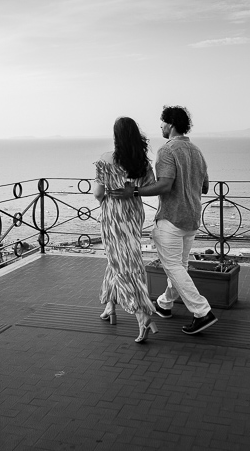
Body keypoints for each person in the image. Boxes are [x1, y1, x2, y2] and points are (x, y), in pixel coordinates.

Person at [110, 106, 217, 335]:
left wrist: (135, 192)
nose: (160, 126)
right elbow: (205, 186)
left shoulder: (167, 150)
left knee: (173, 267)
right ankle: (165, 304)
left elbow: (165, 185)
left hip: (171, 219)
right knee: (180, 267)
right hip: (192, 219)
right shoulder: (197, 151)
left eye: (162, 122)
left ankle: (202, 311)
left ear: (170, 124)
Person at [92, 117, 159, 343]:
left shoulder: (106, 160)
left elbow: (98, 194)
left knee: (121, 262)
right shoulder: (141, 161)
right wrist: (135, 189)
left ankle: (142, 316)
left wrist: (107, 198)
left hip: (113, 215)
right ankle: (110, 305)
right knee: (121, 259)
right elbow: (151, 186)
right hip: (133, 214)